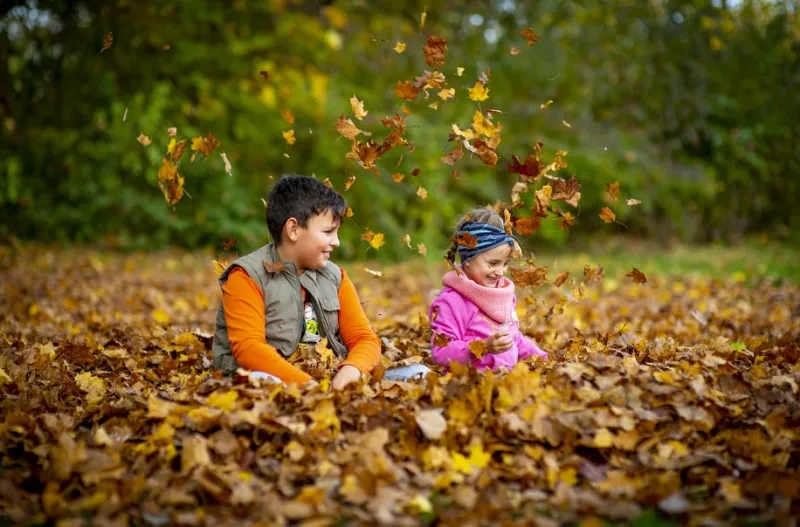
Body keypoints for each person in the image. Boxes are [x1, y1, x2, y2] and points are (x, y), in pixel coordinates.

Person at [212, 175, 429, 389]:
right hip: (278, 380)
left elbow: (364, 338)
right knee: (262, 380)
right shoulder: (247, 276)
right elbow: (249, 349)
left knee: (419, 372)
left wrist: (351, 370)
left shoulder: (334, 277)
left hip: (331, 377)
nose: (336, 242)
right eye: (328, 232)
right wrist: (308, 386)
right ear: (293, 229)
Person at [429, 208, 548, 371]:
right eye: (493, 263)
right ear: (468, 258)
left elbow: (514, 338)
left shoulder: (503, 294)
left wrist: (544, 359)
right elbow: (440, 352)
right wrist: (483, 347)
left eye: (505, 264)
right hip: (471, 381)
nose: (500, 272)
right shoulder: (452, 301)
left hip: (506, 379)